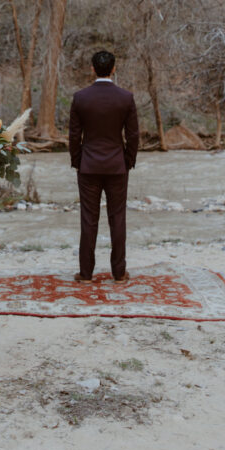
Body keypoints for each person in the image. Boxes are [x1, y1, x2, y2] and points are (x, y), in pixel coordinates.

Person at [68, 50, 139, 283]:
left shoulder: (81, 98)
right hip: (117, 166)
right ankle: (119, 273)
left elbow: (74, 136)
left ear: (92, 69)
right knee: (117, 218)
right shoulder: (125, 98)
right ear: (114, 69)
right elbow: (133, 135)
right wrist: (127, 161)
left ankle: (86, 274)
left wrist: (78, 162)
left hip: (88, 166)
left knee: (88, 219)